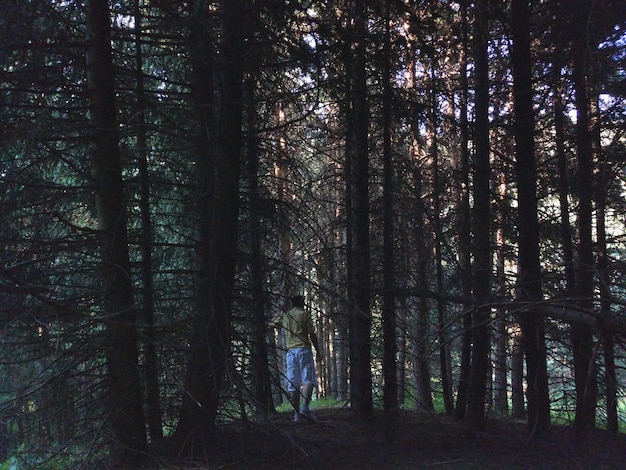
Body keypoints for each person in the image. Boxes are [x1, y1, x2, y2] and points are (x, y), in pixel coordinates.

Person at [272, 294, 320, 421]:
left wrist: (278, 315)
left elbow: (271, 324)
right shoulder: (305, 314)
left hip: (291, 352)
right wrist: (318, 351)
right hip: (304, 349)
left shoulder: (286, 316)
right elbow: (312, 334)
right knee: (308, 379)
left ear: (292, 304)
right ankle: (305, 408)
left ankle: (296, 414)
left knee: (293, 382)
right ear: (302, 303)